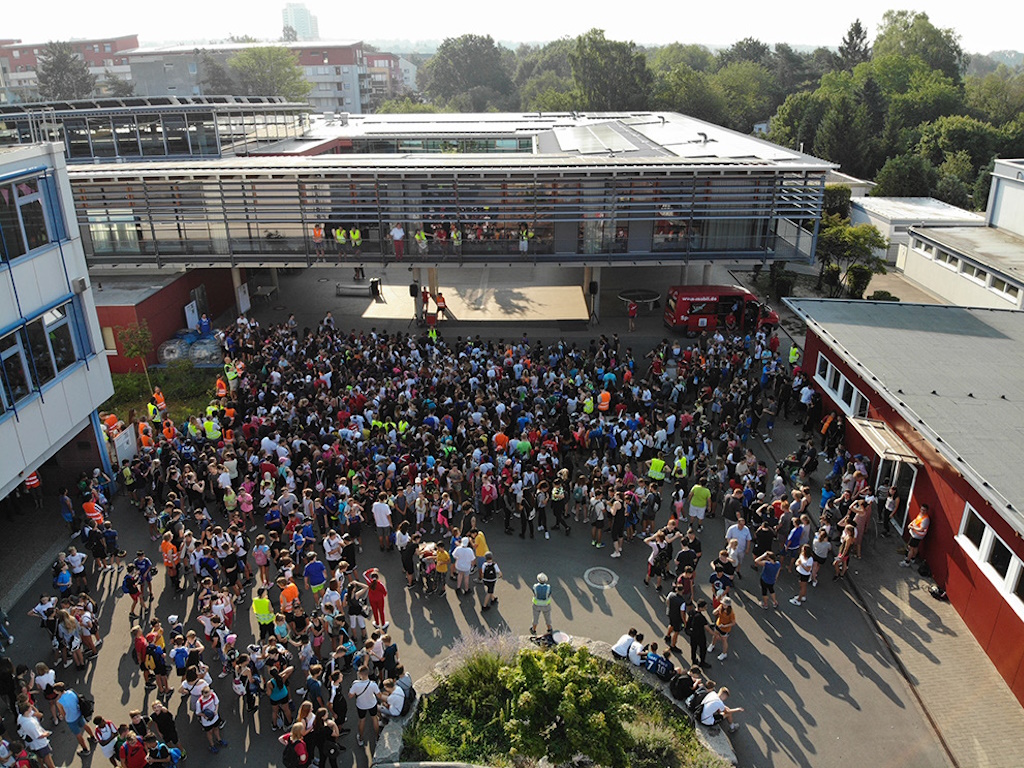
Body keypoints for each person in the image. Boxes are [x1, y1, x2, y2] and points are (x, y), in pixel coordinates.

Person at [348, 666, 380, 748]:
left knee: (362, 721)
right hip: (372, 704)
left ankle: (361, 738)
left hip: (361, 705)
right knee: (374, 718)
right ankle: (377, 737)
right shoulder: (373, 684)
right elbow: (379, 695)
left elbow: (350, 696)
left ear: (360, 674)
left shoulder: (355, 684)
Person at [194, 683, 228, 753]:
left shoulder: (213, 695)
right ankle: (212, 745)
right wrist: (204, 716)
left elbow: (217, 703)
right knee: (209, 732)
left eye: (208, 694)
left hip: (215, 717)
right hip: (207, 721)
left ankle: (219, 740)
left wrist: (216, 711)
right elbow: (198, 712)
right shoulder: (199, 702)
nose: (208, 697)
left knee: (216, 728)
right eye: (206, 696)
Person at [708, 596, 736, 661]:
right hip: (718, 625)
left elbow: (733, 623)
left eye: (724, 604)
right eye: (723, 604)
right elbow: (715, 611)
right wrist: (715, 611)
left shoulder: (731, 613)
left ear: (728, 605)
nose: (723, 605)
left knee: (724, 640)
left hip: (725, 629)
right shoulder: (721, 606)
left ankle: (724, 653)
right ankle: (712, 645)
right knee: (715, 635)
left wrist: (725, 626)